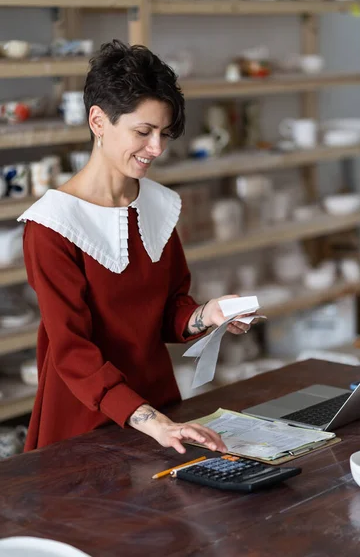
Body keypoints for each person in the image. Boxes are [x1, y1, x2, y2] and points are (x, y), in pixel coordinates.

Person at [18, 40, 256, 454]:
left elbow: (167, 311)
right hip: (85, 423)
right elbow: (73, 353)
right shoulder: (53, 226)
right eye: (142, 132)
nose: (157, 149)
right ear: (98, 121)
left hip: (159, 409)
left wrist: (207, 314)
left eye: (163, 133)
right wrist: (154, 423)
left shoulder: (156, 205)